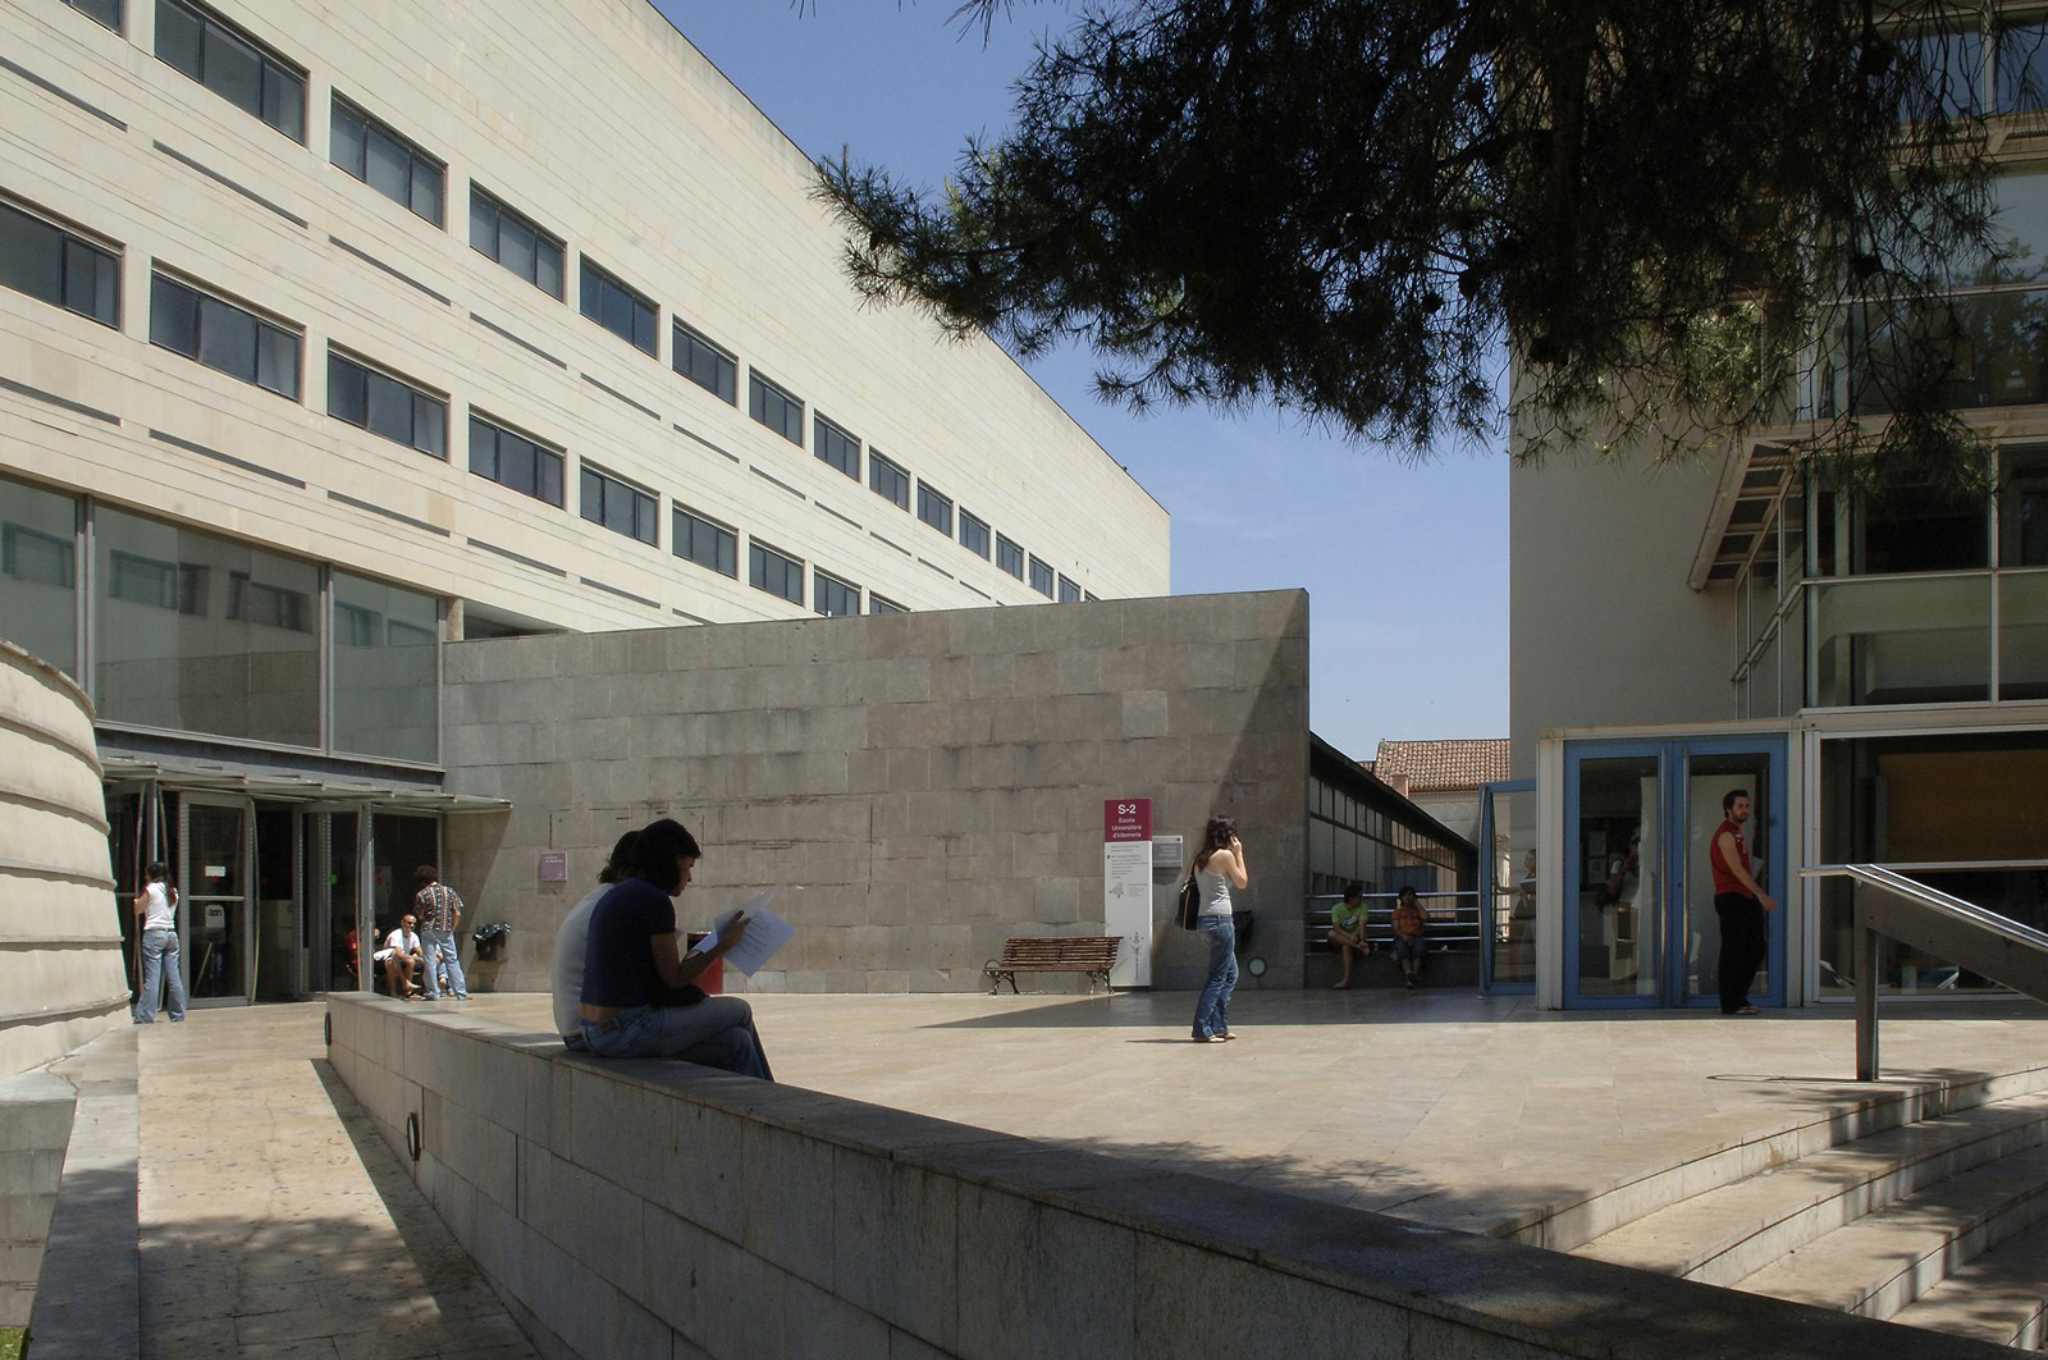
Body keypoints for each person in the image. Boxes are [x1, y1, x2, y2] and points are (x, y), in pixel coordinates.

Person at [578, 819, 774, 1079]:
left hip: (595, 1030)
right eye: (688, 866)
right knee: (740, 1011)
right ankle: (768, 1092)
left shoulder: (619, 894)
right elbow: (675, 979)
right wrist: (723, 945)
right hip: (628, 1028)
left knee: (737, 1043)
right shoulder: (653, 899)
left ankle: (757, 1100)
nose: (690, 877)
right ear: (669, 862)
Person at [552, 830, 639, 1046]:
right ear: (622, 872)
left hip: (574, 1028)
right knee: (732, 1018)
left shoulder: (598, 899)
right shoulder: (616, 905)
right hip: (589, 1031)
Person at [1711, 789, 1775, 1016]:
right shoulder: (1726, 834)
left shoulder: (1737, 833)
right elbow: (1736, 868)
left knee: (1755, 947)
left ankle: (1739, 998)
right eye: (1740, 806)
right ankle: (1731, 1002)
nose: (1745, 810)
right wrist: (1761, 893)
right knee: (1734, 949)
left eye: (1747, 806)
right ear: (1729, 809)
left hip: (1743, 897)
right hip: (1731, 897)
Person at [1190, 815, 1248, 1043]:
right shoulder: (1224, 856)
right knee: (1217, 977)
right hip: (1221, 920)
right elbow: (1242, 882)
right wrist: (1239, 853)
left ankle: (1219, 1025)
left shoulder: (1200, 859)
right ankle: (1202, 1028)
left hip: (1205, 920)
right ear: (1227, 835)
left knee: (1230, 973)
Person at [132, 860, 188, 1024]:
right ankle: (178, 1014)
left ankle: (145, 1015)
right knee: (174, 976)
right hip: (171, 934)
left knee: (152, 977)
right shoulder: (172, 891)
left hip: (154, 934)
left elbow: (138, 909)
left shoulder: (151, 889)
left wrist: (137, 902)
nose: (145, 876)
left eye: (147, 873)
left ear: (151, 875)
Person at [414, 865, 470, 1000]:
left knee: (430, 961)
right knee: (452, 960)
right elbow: (457, 913)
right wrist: (452, 927)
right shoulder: (449, 891)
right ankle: (460, 992)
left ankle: (434, 993)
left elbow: (420, 916)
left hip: (428, 929)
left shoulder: (422, 894)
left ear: (422, 881)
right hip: (445, 929)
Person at [1327, 880, 1371, 989]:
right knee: (1331, 934)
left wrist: (1362, 940)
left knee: (1346, 947)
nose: (1361, 899)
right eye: (1359, 897)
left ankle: (1346, 980)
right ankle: (1359, 948)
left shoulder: (1362, 907)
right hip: (1341, 938)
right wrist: (1349, 936)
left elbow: (1362, 925)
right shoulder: (1336, 908)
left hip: (1355, 940)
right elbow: (1336, 928)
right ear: (1351, 898)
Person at [376, 914, 426, 998]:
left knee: (414, 961)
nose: (412, 925)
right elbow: (399, 954)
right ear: (402, 923)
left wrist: (425, 958)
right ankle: (394, 990)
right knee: (396, 961)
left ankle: (410, 991)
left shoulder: (413, 936)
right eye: (409, 923)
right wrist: (417, 958)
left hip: (401, 960)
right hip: (382, 961)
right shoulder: (395, 935)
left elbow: (419, 951)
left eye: (414, 924)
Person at [1390, 886, 1427, 989]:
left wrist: (1417, 904)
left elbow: (1425, 917)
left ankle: (1413, 976)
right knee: (1402, 950)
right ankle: (1409, 974)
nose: (1408, 897)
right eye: (1405, 895)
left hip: (1417, 935)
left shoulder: (1417, 911)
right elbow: (1395, 929)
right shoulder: (1397, 912)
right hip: (1402, 936)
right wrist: (1404, 936)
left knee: (1418, 949)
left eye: (1410, 894)